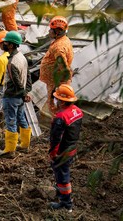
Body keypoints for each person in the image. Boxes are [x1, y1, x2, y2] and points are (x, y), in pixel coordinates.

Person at [48, 84, 83, 212]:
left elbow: (56, 139)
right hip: (72, 148)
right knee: (62, 172)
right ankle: (60, 192)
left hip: (62, 152)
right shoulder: (78, 111)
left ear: (62, 101)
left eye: (57, 98)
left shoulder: (61, 118)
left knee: (62, 176)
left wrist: (53, 154)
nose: (55, 100)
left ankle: (66, 204)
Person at [0, 30, 33, 157]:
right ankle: (24, 145)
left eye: (6, 42)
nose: (4, 44)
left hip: (12, 96)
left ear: (11, 45)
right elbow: (28, 76)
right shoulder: (22, 57)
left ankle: (10, 150)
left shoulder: (11, 62)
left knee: (11, 121)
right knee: (22, 118)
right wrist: (27, 91)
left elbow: (16, 81)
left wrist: (24, 93)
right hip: (20, 97)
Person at [40, 16, 74, 112]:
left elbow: (63, 66)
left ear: (57, 31)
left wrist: (58, 85)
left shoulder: (59, 47)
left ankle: (57, 121)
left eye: (51, 29)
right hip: (56, 80)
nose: (49, 31)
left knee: (55, 105)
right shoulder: (63, 40)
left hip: (57, 82)